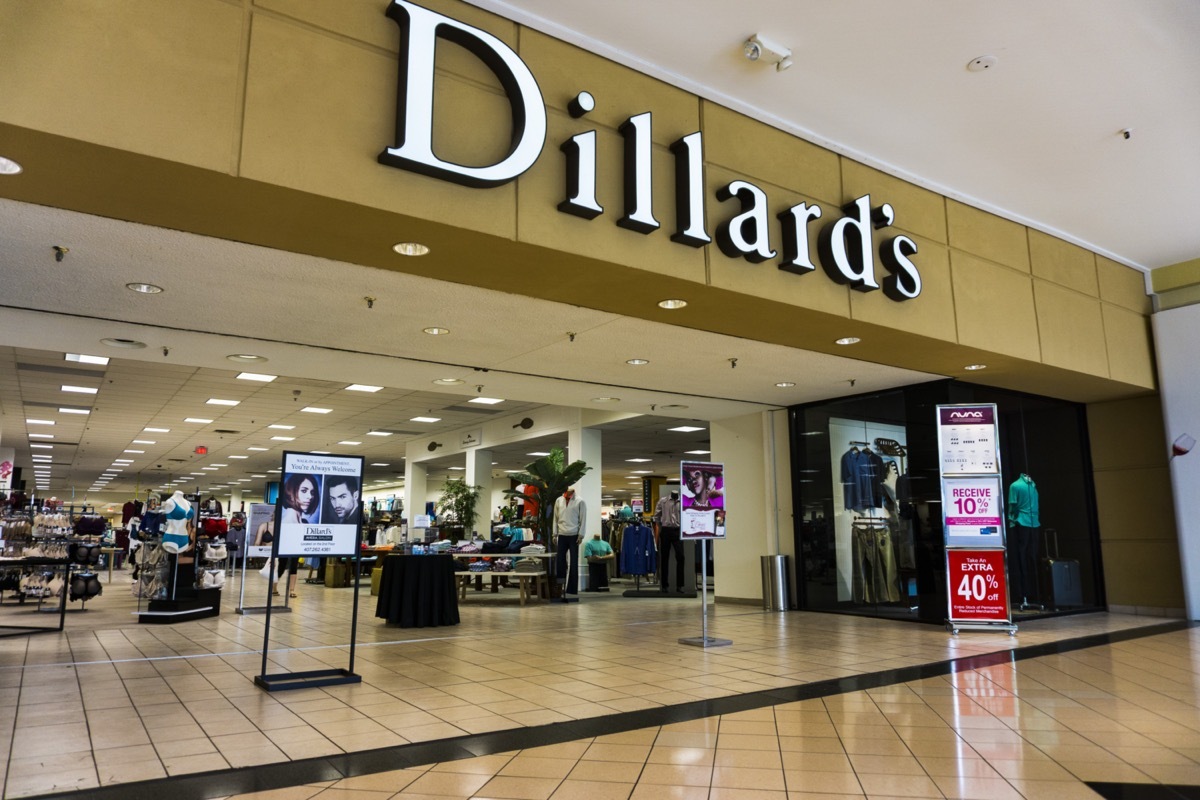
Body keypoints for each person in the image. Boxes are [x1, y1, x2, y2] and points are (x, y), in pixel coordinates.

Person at [552, 486, 586, 601]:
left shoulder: (580, 501)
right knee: (560, 562)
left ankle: (572, 588)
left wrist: (581, 534)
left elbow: (583, 518)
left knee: (574, 562)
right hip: (562, 534)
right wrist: (554, 533)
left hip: (574, 535)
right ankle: (560, 587)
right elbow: (555, 518)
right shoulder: (558, 500)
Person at [255, 516, 299, 598]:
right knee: (280, 567)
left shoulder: (295, 522)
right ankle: (274, 587)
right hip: (282, 548)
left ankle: (292, 590)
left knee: (293, 567)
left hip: (294, 546)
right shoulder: (277, 525)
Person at [653, 489, 684, 593]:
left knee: (681, 557)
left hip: (678, 531)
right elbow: (656, 516)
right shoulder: (663, 501)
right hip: (666, 530)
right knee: (664, 558)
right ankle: (664, 585)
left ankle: (680, 585)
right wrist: (661, 527)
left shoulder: (683, 501)